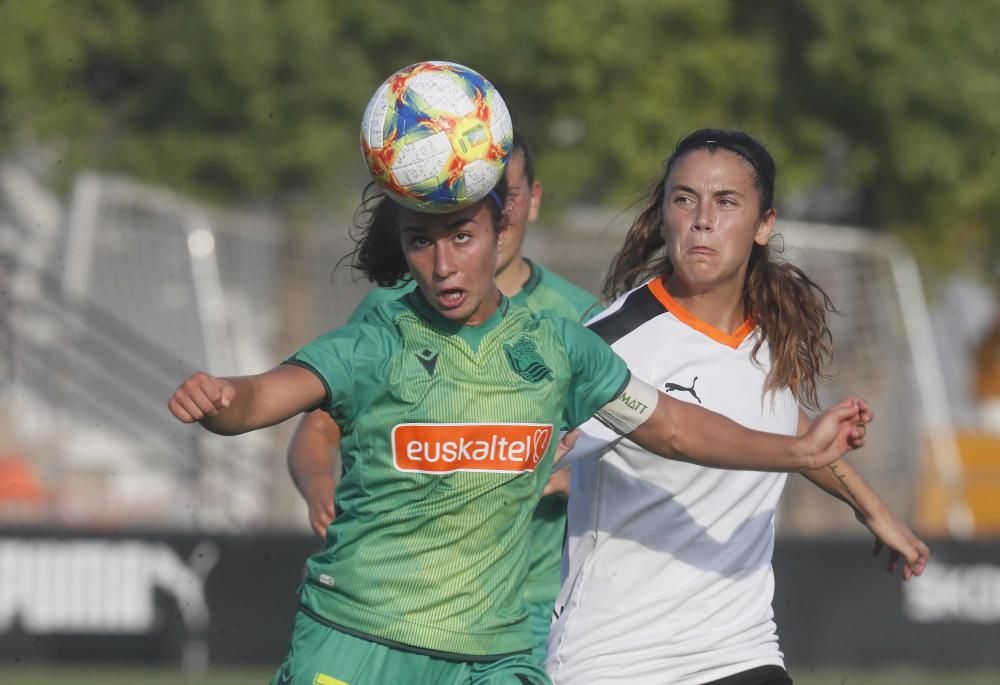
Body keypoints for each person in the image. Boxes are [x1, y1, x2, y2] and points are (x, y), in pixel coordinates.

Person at [169, 166, 871, 685]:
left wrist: (796, 448)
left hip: (493, 654)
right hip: (360, 637)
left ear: (498, 231)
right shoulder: (378, 337)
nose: (443, 264)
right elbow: (266, 398)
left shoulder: (560, 346)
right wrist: (222, 398)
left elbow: (675, 428)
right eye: (419, 242)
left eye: (462, 237)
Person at [544, 129, 930, 685]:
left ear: (764, 224)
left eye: (726, 202)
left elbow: (775, 423)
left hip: (739, 652)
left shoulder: (767, 332)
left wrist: (870, 506)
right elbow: (544, 450)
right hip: (615, 660)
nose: (702, 220)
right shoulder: (614, 342)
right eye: (684, 199)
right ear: (663, 215)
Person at [286, 131, 595, 665]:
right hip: (398, 615)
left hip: (531, 615)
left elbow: (641, 436)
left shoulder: (582, 320)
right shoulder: (391, 312)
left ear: (527, 202)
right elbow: (317, 428)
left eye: (511, 194)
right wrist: (319, 489)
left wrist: (577, 472)